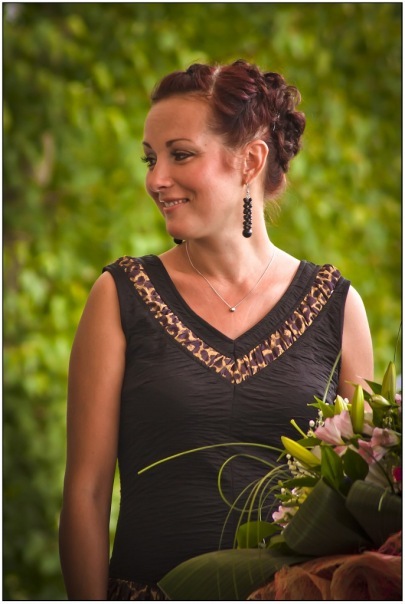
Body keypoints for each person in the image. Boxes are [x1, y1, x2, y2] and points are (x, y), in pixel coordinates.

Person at [59, 60, 373, 600]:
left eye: (180, 154)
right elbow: (86, 496)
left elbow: (364, 500)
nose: (155, 179)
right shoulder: (119, 295)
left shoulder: (338, 306)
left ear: (250, 160)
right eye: (150, 158)